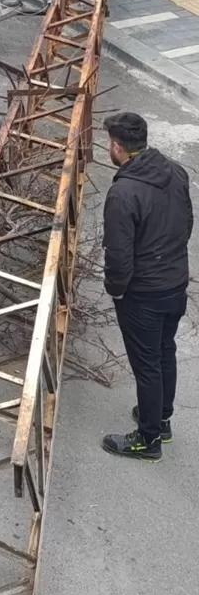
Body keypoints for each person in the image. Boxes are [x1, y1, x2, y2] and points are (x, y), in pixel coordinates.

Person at [101, 112, 193, 462]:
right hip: (174, 283)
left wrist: (117, 289)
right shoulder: (175, 170)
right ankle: (161, 418)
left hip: (144, 293)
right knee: (163, 351)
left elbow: (119, 253)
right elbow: (186, 223)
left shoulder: (123, 194)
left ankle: (147, 439)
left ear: (117, 147)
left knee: (147, 366)